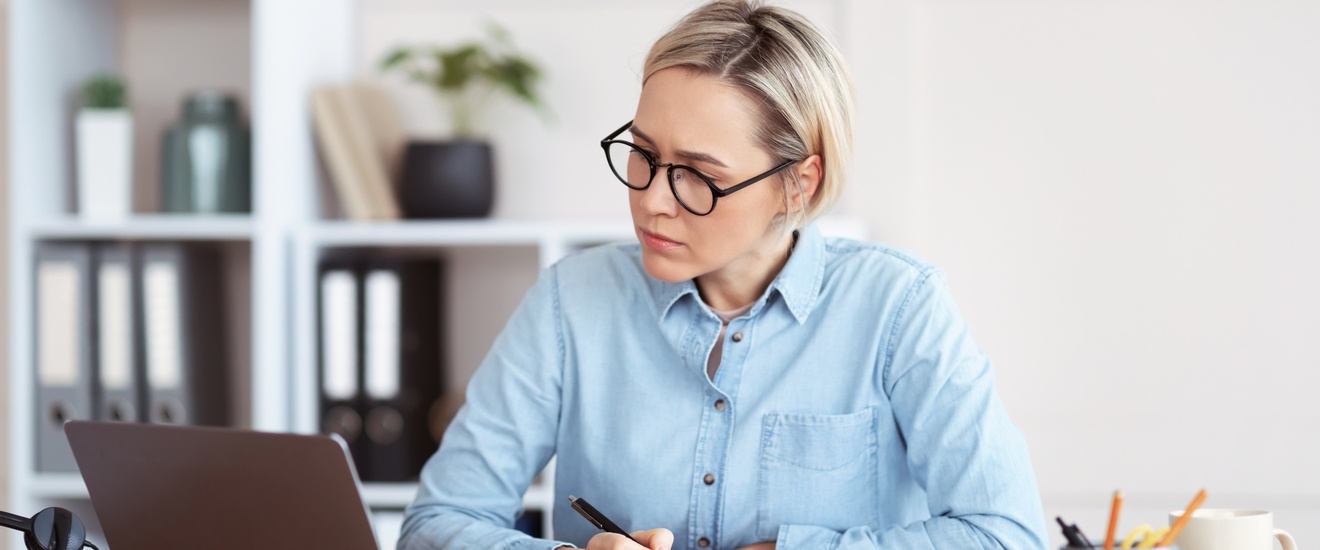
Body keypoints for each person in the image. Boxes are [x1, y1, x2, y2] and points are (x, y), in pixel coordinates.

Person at [399, 1, 1048, 549]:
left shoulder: (899, 307)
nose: (653, 199)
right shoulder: (572, 300)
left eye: (699, 175)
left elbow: (1007, 533)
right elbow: (437, 523)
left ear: (798, 183)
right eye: (643, 156)